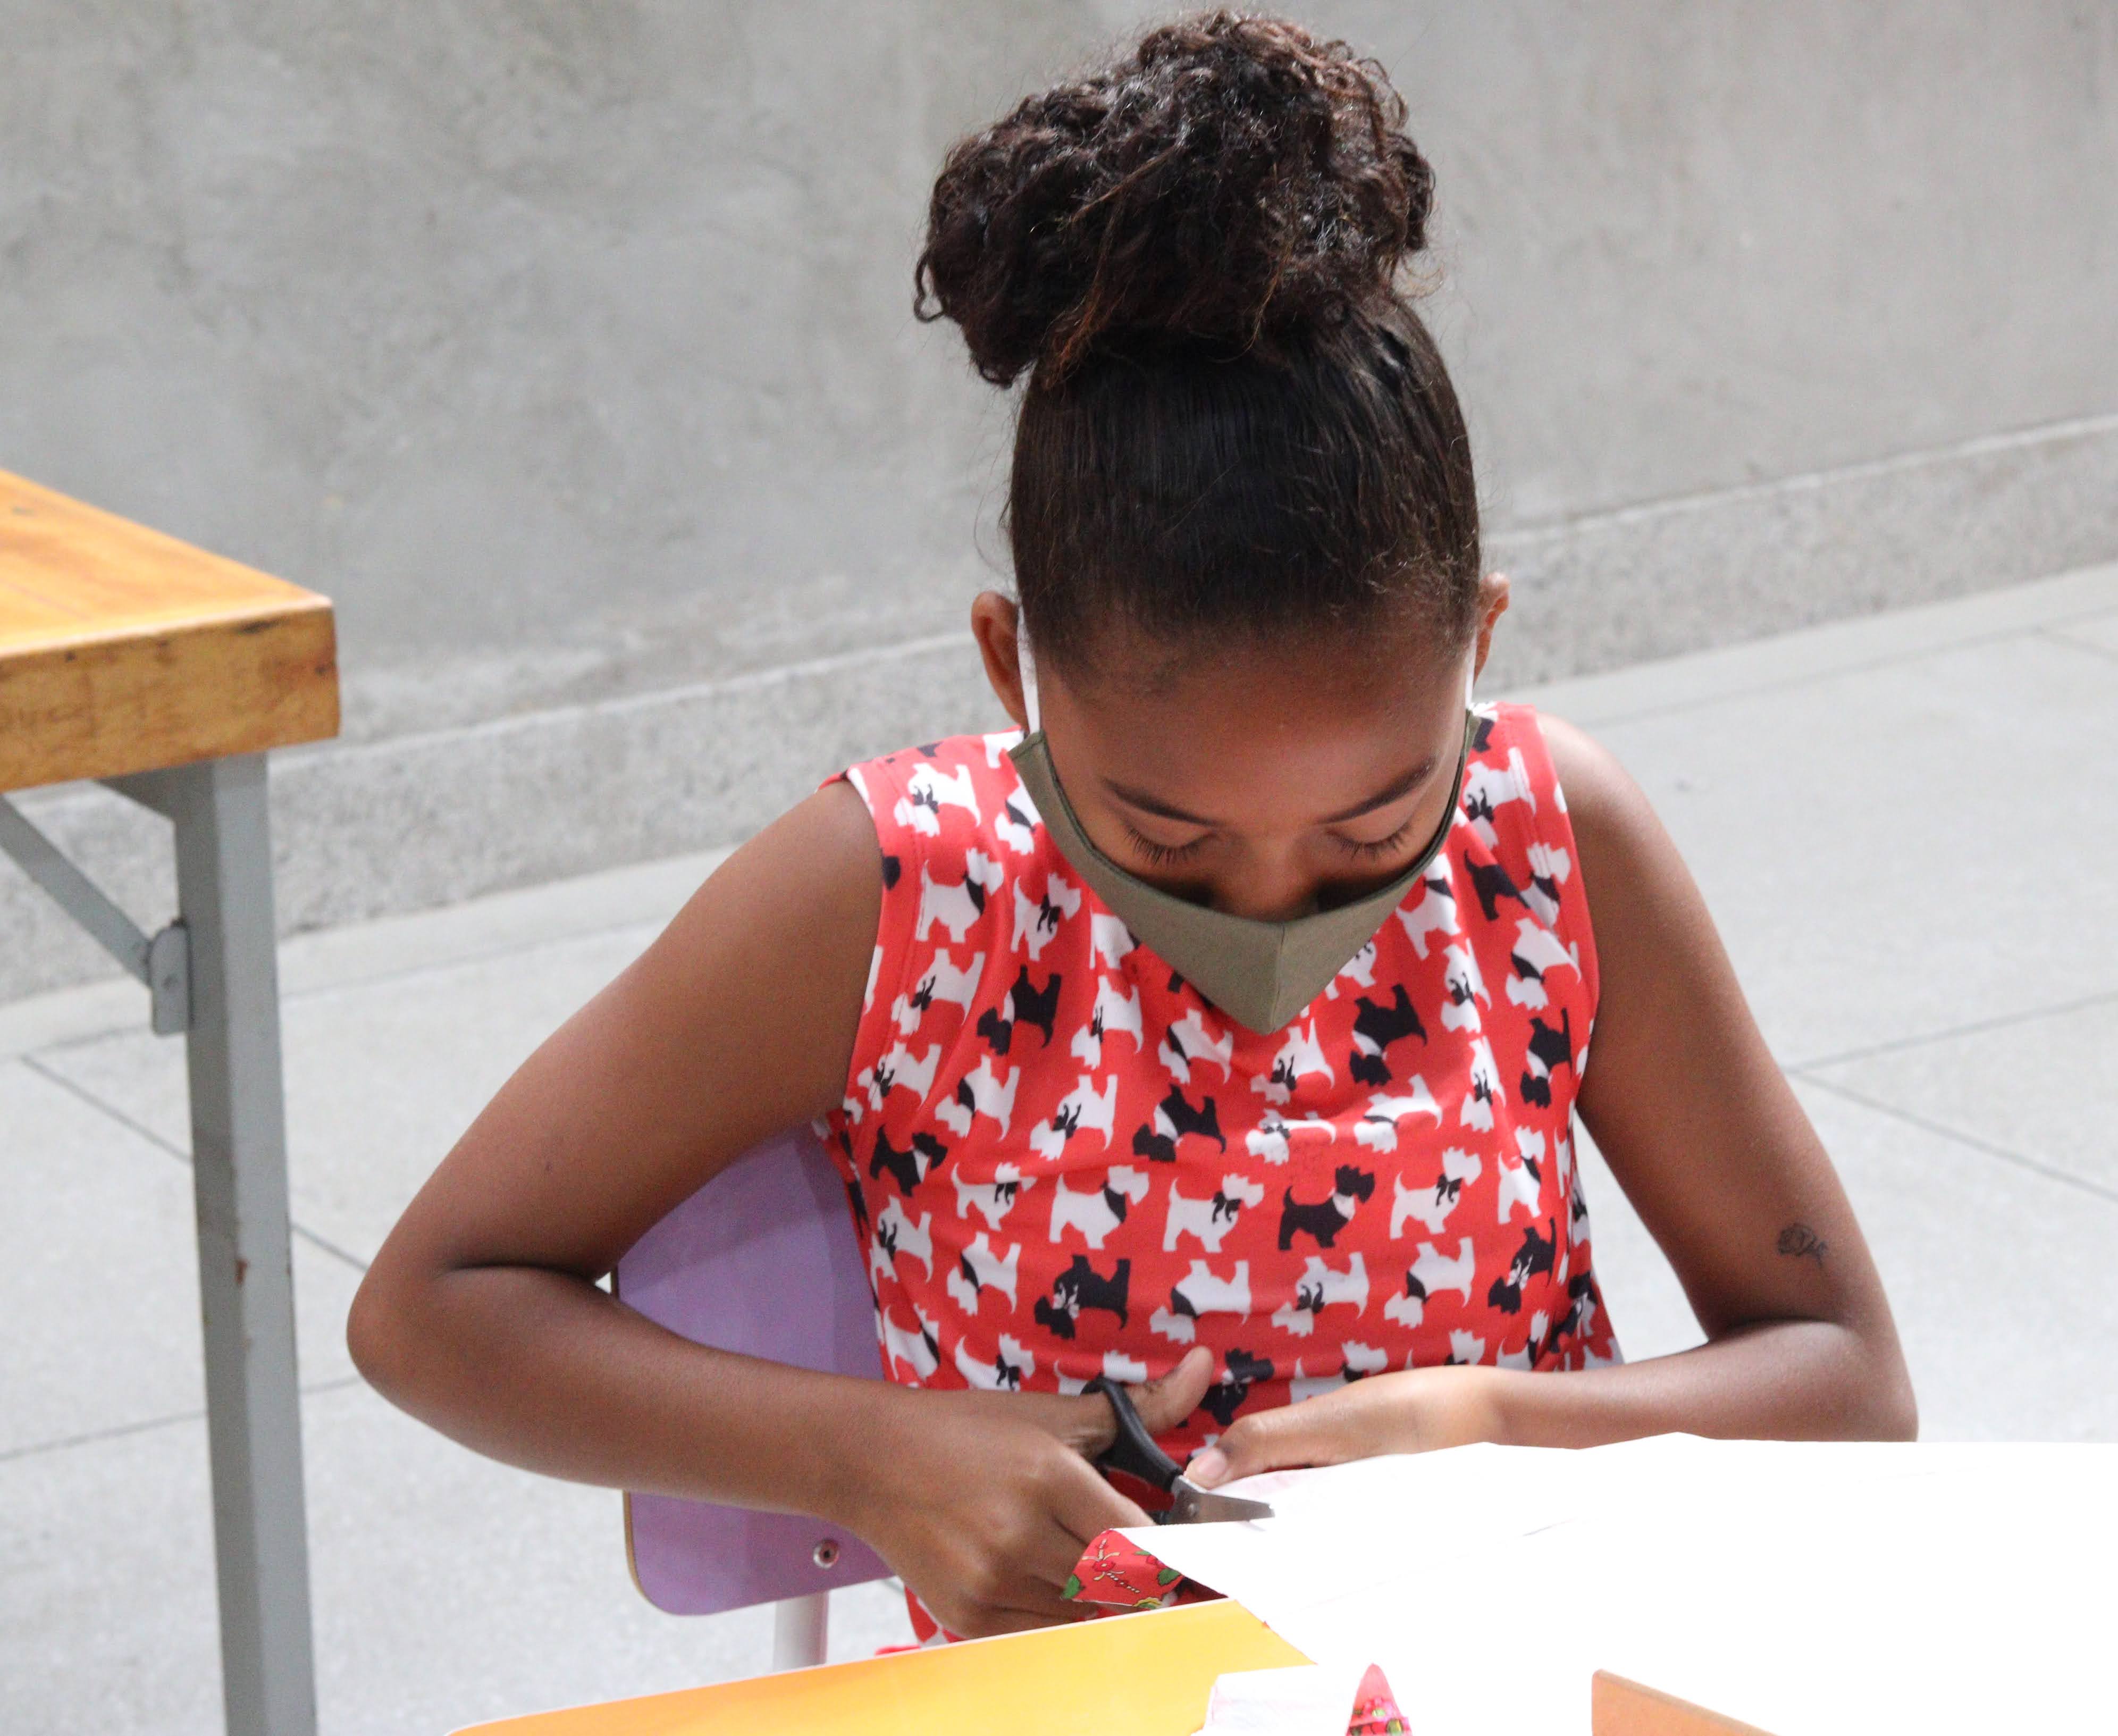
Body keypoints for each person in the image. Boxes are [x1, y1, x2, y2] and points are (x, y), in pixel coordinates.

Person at [349, 11, 1914, 1647]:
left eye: (1374, 827)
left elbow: (1847, 1382)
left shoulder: (1547, 840)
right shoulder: (896, 891)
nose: (1273, 909)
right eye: (1165, 845)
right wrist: (870, 1456)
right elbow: (434, 1305)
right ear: (1009, 667)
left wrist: (1500, 1427)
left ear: (1482, 647)